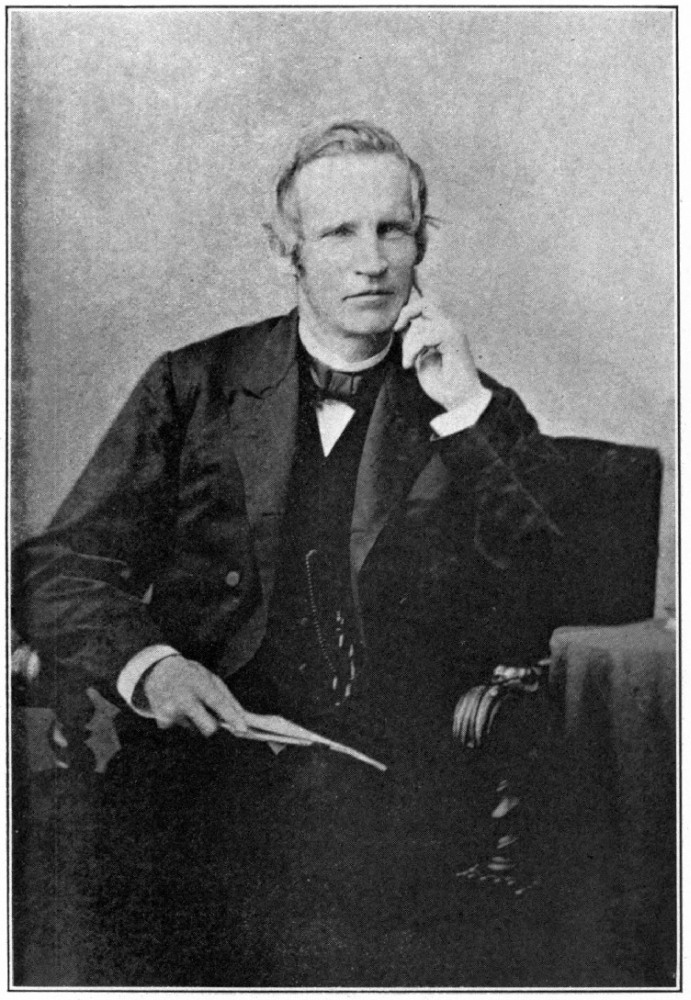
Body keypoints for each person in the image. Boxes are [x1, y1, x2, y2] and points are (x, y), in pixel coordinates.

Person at [13, 121, 570, 986]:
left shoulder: (469, 402)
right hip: (199, 766)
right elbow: (58, 566)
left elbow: (554, 581)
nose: (371, 261)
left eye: (393, 230)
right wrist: (152, 668)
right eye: (339, 232)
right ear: (287, 250)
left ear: (422, 243)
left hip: (388, 785)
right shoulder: (194, 383)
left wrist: (463, 409)